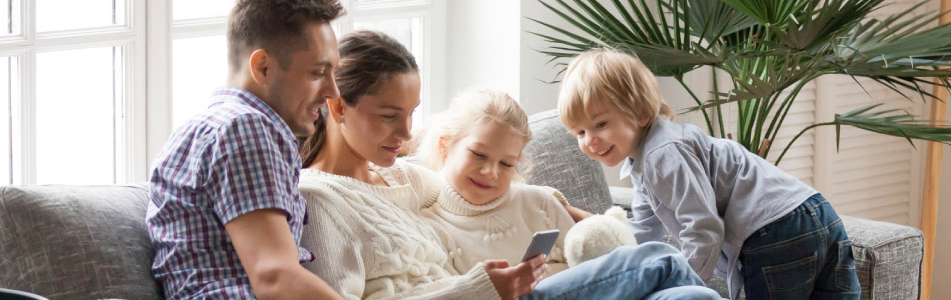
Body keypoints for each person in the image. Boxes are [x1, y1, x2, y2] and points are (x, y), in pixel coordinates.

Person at [297, 30, 720, 300]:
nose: (406, 134)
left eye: (411, 115)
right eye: (389, 116)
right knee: (658, 260)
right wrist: (478, 290)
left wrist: (559, 205)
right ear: (336, 107)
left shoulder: (402, 176)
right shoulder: (317, 201)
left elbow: (478, 191)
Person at [557, 48, 862, 300]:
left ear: (640, 113)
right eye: (579, 131)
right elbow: (643, 233)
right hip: (817, 212)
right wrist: (607, 250)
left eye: (600, 124)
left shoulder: (664, 155)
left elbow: (703, 230)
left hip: (776, 230)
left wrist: (681, 286)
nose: (590, 140)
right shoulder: (647, 161)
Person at [145, 0, 346, 299]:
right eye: (318, 73)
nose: (333, 91)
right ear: (262, 67)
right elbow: (275, 277)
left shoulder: (205, 128)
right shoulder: (245, 128)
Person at [411, 89, 575, 276]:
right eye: (479, 154)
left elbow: (589, 262)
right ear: (444, 145)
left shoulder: (539, 202)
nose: (491, 173)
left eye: (506, 164)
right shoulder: (429, 227)